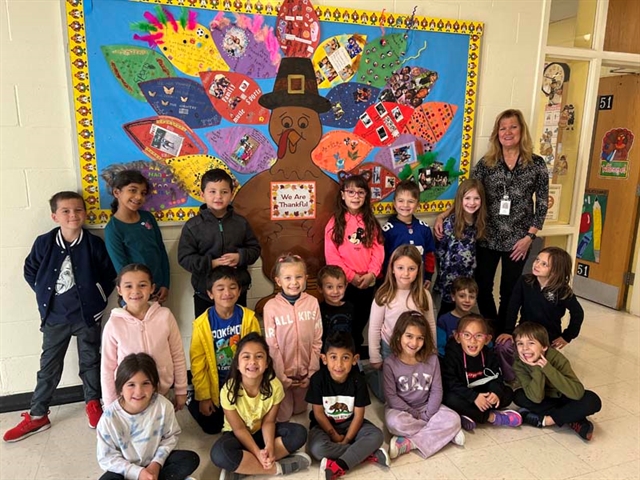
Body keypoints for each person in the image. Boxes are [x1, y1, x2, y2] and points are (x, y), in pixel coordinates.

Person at [3, 192, 116, 443]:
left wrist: (97, 299)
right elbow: (30, 270)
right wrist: (46, 295)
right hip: (55, 317)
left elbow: (109, 276)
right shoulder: (44, 243)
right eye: (66, 211)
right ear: (55, 216)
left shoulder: (94, 244)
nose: (73, 215)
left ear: (85, 213)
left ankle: (93, 404)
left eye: (78, 210)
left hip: (87, 316)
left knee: (90, 361)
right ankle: (38, 414)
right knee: (49, 366)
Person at [434, 109, 549, 336]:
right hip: (486, 235)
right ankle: (492, 329)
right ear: (497, 133)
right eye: (502, 128)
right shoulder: (487, 163)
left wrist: (530, 237)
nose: (507, 132)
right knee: (483, 288)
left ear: (522, 130)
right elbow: (467, 191)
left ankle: (505, 333)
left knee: (509, 290)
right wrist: (444, 214)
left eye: (513, 127)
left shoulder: (536, 164)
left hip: (519, 241)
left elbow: (543, 203)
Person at [210, 333, 311, 478]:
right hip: (238, 436)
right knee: (219, 453)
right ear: (237, 364)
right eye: (246, 356)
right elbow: (238, 429)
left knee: (299, 433)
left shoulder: (274, 386)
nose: (253, 362)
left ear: (267, 363)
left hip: (262, 434)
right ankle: (276, 468)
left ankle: (246, 467)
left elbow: (269, 422)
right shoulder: (228, 391)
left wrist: (269, 446)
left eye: (259, 356)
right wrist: (258, 453)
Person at [96, 353, 200, 480]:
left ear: (154, 386)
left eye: (146, 383)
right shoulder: (109, 418)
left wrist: (156, 464)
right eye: (131, 384)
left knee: (190, 459)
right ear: (120, 388)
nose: (139, 391)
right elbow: (106, 457)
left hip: (155, 463)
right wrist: (137, 473)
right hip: (126, 471)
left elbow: (171, 436)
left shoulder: (163, 406)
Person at [100, 264, 188, 409]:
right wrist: (110, 403)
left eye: (142, 285)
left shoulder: (165, 316)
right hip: (129, 397)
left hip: (162, 392)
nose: (135, 291)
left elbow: (177, 355)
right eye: (128, 286)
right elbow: (107, 368)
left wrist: (181, 390)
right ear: (119, 290)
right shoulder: (114, 324)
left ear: (152, 288)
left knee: (160, 430)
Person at [178, 168, 261, 316]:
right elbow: (185, 258)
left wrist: (240, 257)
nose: (218, 196)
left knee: (239, 333)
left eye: (224, 192)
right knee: (208, 335)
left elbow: (254, 249)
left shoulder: (241, 223)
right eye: (212, 192)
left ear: (231, 194)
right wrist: (212, 263)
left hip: (237, 291)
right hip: (205, 293)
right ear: (202, 194)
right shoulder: (193, 226)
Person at [306, 332, 389, 479]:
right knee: (317, 449)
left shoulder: (358, 381)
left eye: (345, 358)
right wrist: (334, 435)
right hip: (323, 426)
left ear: (355, 359)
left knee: (377, 435)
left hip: (351, 424)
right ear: (324, 359)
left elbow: (358, 415)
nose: (339, 364)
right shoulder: (318, 380)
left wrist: (346, 439)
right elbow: (318, 414)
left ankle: (342, 463)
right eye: (333, 357)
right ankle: (364, 453)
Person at [189, 266, 261, 434]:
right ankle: (191, 399)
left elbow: (258, 355)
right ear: (210, 293)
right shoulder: (201, 324)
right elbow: (197, 363)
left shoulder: (249, 319)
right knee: (212, 427)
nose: (227, 293)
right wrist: (204, 396)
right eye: (220, 288)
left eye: (232, 287)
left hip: (241, 383)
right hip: (216, 385)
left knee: (249, 425)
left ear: (239, 291)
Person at [384, 311, 464, 460]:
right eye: (409, 336)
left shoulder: (432, 360)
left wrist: (428, 414)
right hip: (401, 409)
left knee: (454, 419)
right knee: (394, 423)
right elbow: (391, 397)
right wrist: (412, 412)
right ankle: (444, 435)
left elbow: (436, 390)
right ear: (398, 336)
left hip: (427, 406)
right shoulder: (390, 363)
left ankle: (409, 443)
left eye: (420, 338)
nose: (414, 343)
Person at [495, 247, 584, 381]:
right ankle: (513, 379)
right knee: (502, 345)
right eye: (537, 260)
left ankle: (532, 377)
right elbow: (512, 307)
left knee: (536, 359)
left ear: (555, 271)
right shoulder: (525, 281)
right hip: (524, 331)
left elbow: (578, 313)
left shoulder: (563, 291)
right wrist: (508, 331)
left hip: (546, 337)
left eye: (544, 264)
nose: (537, 265)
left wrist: (567, 336)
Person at [325, 174, 384, 357]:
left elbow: (378, 249)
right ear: (343, 195)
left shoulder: (371, 222)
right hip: (345, 285)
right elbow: (332, 256)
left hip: (367, 284)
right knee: (343, 326)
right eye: (351, 192)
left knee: (359, 326)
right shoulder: (335, 223)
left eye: (360, 192)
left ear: (366, 196)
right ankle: (339, 360)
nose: (355, 196)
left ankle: (355, 360)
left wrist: (372, 274)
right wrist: (351, 276)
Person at [512, 322, 601, 440]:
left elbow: (577, 393)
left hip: (565, 396)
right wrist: (536, 369)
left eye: (531, 343)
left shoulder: (557, 358)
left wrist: (547, 368)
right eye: (520, 344)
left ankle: (548, 420)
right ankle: (572, 419)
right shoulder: (519, 364)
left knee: (592, 400)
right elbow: (536, 397)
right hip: (544, 398)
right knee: (518, 396)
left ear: (544, 347)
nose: (525, 348)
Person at [368, 245, 435, 400]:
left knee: (412, 393)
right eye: (400, 268)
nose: (405, 273)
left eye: (411, 268)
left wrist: (432, 351)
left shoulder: (423, 295)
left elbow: (430, 324)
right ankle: (371, 376)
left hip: (416, 348)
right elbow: (374, 328)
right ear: (392, 269)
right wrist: (374, 356)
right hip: (390, 348)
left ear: (418, 269)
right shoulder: (384, 295)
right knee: (387, 396)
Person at [263, 254, 322, 422]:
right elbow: (271, 346)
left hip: (305, 373)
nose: (294, 282)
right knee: (283, 416)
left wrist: (311, 373)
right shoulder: (271, 307)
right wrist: (281, 376)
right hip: (282, 375)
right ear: (278, 281)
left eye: (298, 277)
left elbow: (317, 339)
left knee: (300, 410)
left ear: (306, 278)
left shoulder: (312, 303)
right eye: (287, 278)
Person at [441, 314, 522, 430]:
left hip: (483, 393)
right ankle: (491, 417)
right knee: (449, 399)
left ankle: (469, 414)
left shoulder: (489, 354)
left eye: (478, 336)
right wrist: (473, 397)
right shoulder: (452, 354)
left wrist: (495, 393)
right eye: (467, 335)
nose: (473, 341)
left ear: (487, 339)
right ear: (458, 337)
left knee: (507, 393)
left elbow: (497, 377)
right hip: (464, 394)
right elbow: (450, 382)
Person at [105, 170, 170, 304]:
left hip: (156, 290)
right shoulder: (113, 229)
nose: (139, 197)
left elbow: (161, 251)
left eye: (143, 193)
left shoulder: (148, 218)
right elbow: (122, 269)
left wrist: (165, 284)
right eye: (133, 190)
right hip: (135, 296)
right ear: (117, 192)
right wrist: (141, 292)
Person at [434, 179, 486, 317]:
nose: (472, 202)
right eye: (467, 198)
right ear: (460, 199)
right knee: (446, 312)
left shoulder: (480, 223)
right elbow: (440, 251)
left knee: (464, 314)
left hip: (469, 278)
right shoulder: (450, 223)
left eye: (476, 198)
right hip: (449, 279)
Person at [381, 180, 436, 287]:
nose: (405, 205)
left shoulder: (424, 228)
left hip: (418, 281)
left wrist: (428, 276)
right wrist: (383, 280)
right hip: (394, 282)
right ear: (394, 203)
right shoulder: (387, 230)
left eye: (410, 201)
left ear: (417, 204)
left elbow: (430, 254)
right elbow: (382, 257)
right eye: (401, 201)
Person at [436, 277, 478, 357]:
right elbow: (440, 349)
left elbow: (486, 345)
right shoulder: (444, 320)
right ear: (453, 297)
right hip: (450, 362)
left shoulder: (478, 321)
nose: (467, 300)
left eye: (471, 297)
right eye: (462, 296)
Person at [317, 265, 354, 342]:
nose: (335, 291)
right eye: (330, 287)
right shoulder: (318, 310)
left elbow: (356, 334)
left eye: (340, 286)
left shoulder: (350, 307)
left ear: (346, 286)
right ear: (320, 289)